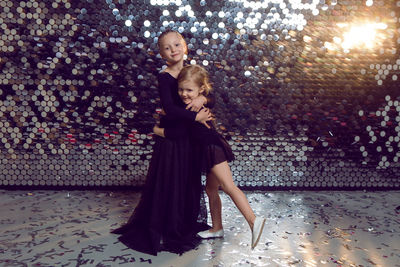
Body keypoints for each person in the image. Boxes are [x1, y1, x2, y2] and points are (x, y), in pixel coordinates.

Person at [111, 30, 213, 255]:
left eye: (176, 45)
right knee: (171, 182)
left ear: (184, 46)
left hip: (190, 140)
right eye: (167, 48)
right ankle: (169, 227)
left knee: (188, 180)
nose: (173, 50)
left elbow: (211, 94)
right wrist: (195, 116)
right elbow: (170, 108)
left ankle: (185, 222)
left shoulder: (192, 72)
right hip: (173, 140)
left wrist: (203, 98)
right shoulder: (164, 76)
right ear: (161, 53)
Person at [154, 65, 266, 249]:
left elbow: (179, 127)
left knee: (228, 186)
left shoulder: (194, 105)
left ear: (200, 90)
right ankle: (217, 228)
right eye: (181, 89)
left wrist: (158, 129)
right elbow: (190, 108)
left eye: (189, 90)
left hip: (211, 149)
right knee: (211, 190)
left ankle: (254, 221)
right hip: (207, 149)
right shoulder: (191, 103)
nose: (184, 94)